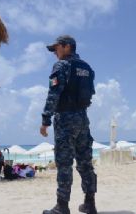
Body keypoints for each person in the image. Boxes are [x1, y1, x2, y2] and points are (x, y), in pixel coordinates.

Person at [40, 35, 97, 214]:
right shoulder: (87, 68)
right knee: (85, 163)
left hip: (65, 118)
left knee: (64, 163)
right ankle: (90, 203)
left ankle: (62, 206)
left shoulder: (62, 65)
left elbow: (53, 93)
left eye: (56, 48)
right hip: (83, 119)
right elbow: (90, 94)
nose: (55, 53)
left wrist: (45, 119)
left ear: (66, 47)